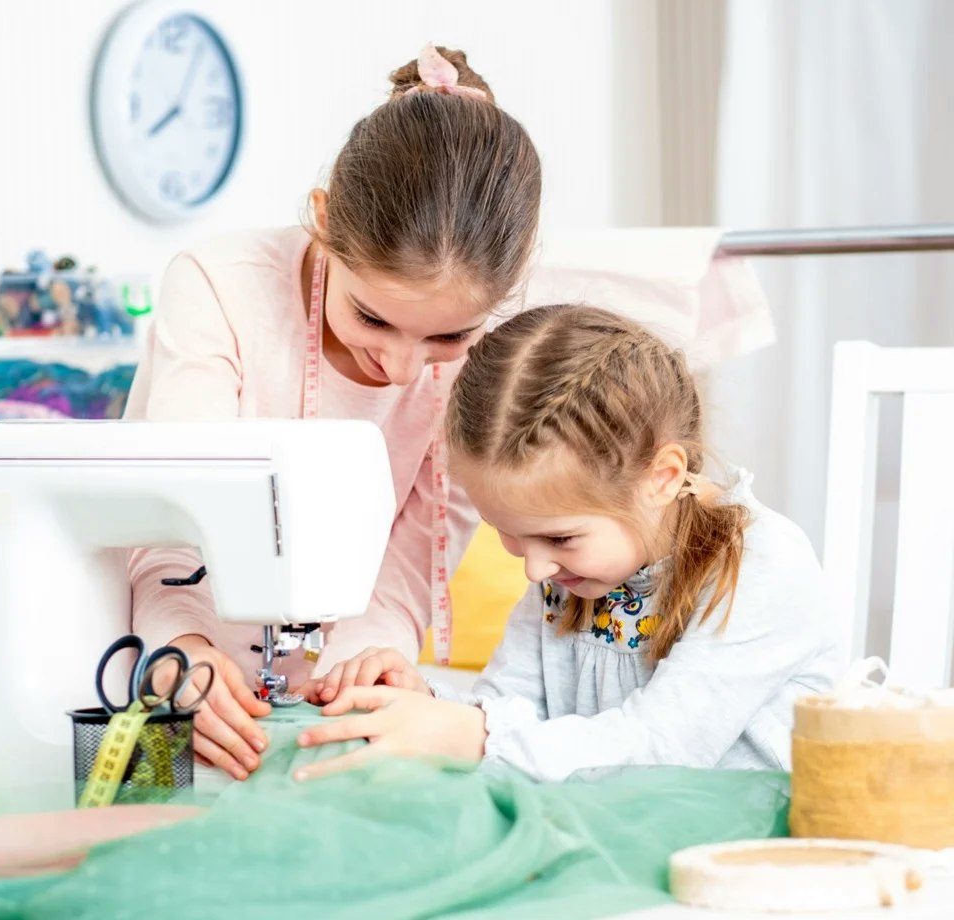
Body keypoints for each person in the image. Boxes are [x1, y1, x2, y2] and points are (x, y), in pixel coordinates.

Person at [124, 46, 542, 782]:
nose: (405, 368)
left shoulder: (488, 360)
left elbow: (417, 555)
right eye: (373, 319)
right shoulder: (218, 290)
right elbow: (170, 515)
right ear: (323, 222)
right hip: (162, 643)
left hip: (307, 682)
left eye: (448, 336)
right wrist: (179, 648)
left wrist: (366, 664)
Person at [295, 304, 842, 782]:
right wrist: (424, 705)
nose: (534, 569)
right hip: (620, 824)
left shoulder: (760, 566)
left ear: (662, 477)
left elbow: (664, 746)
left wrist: (471, 736)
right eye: (506, 532)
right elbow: (512, 709)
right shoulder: (575, 570)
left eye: (560, 536)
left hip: (750, 847)